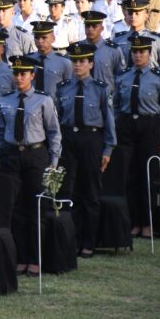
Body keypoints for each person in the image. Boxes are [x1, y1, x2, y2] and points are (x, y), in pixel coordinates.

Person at [0, 56, 62, 277]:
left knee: (36, 208)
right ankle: (21, 257)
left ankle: (36, 259)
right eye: (15, 73)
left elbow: (54, 132)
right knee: (15, 209)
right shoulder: (5, 100)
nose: (19, 77)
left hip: (35, 155)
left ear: (32, 75)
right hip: (12, 156)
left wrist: (53, 162)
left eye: (23, 73)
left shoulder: (43, 100)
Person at [55, 42, 117, 258]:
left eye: (82, 61)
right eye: (74, 61)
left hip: (91, 139)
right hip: (69, 139)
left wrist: (108, 149)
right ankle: (73, 239)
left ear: (91, 64)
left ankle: (89, 242)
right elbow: (57, 119)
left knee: (90, 191)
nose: (77, 65)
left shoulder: (100, 88)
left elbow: (109, 121)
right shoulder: (63, 88)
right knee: (70, 191)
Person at [113, 35, 160, 238]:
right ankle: (134, 221)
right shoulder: (123, 77)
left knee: (149, 175)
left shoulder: (159, 78)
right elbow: (116, 106)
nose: (138, 55)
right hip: (127, 126)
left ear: (149, 53)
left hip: (150, 126)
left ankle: (149, 223)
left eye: (142, 52)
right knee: (129, 174)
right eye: (135, 52)